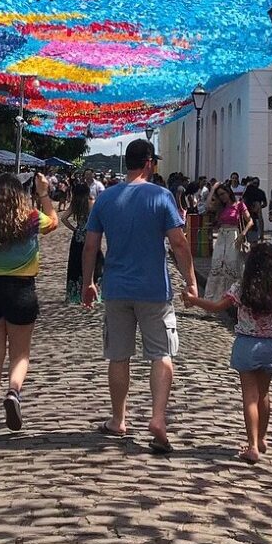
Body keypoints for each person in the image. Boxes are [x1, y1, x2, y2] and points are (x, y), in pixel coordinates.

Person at [81, 139, 197, 454]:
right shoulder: (161, 197)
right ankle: (157, 418)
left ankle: (118, 419)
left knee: (118, 356)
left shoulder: (106, 197)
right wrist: (191, 281)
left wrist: (88, 282)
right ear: (148, 162)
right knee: (161, 354)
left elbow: (91, 245)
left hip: (116, 288)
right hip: (154, 290)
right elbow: (179, 243)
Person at [184, 241, 272, 464]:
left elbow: (216, 307)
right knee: (264, 394)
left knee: (249, 396)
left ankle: (252, 447)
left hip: (246, 345)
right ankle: (262, 438)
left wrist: (193, 301)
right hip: (269, 346)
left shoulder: (241, 288)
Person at [0, 171, 58, 433]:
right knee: (20, 354)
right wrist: (44, 193)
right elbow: (54, 221)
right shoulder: (31, 218)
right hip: (21, 289)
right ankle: (13, 391)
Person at [203, 181, 254, 301]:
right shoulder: (220, 207)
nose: (222, 197)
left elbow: (250, 221)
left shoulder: (239, 205)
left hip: (234, 235)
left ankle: (231, 297)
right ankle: (211, 299)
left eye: (223, 194)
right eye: (219, 195)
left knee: (232, 265)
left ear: (228, 192)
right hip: (222, 236)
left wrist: (243, 234)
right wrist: (213, 188)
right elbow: (207, 205)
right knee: (217, 266)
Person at [65, 182, 102, 304]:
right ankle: (96, 289)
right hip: (90, 234)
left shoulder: (75, 204)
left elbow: (63, 218)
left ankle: (75, 294)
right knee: (95, 262)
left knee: (76, 263)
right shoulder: (91, 203)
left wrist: (74, 229)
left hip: (78, 236)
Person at [243, 177, 268, 242]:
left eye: (256, 183)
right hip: (249, 214)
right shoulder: (248, 191)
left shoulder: (260, 192)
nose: (255, 184)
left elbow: (265, 203)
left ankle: (261, 236)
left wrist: (258, 207)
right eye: (254, 183)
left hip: (256, 215)